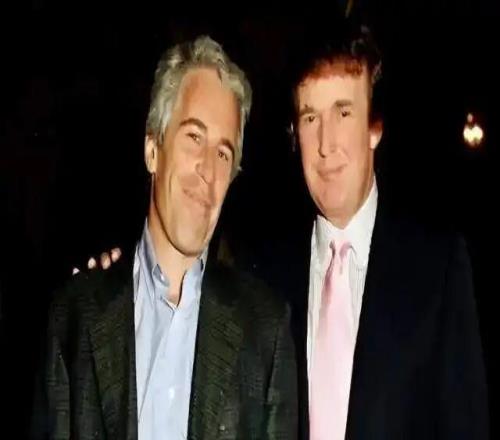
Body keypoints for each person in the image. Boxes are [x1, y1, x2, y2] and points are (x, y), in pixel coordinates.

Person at [33, 35, 297, 440]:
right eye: (194, 137)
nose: (208, 169)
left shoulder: (266, 331)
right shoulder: (75, 317)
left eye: (223, 153)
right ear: (152, 149)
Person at [286, 21, 489, 439]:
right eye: (310, 117)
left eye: (343, 112)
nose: (326, 144)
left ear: (374, 127)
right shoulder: (264, 277)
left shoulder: (438, 270)